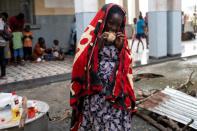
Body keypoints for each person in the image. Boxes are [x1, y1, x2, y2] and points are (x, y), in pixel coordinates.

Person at [70, 4, 136, 131]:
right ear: (103, 20)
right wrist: (97, 48)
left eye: (118, 25)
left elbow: (127, 66)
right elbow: (81, 64)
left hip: (115, 95)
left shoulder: (121, 40)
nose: (114, 28)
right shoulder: (92, 38)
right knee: (98, 122)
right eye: (110, 23)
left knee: (114, 123)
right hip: (97, 93)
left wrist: (120, 48)